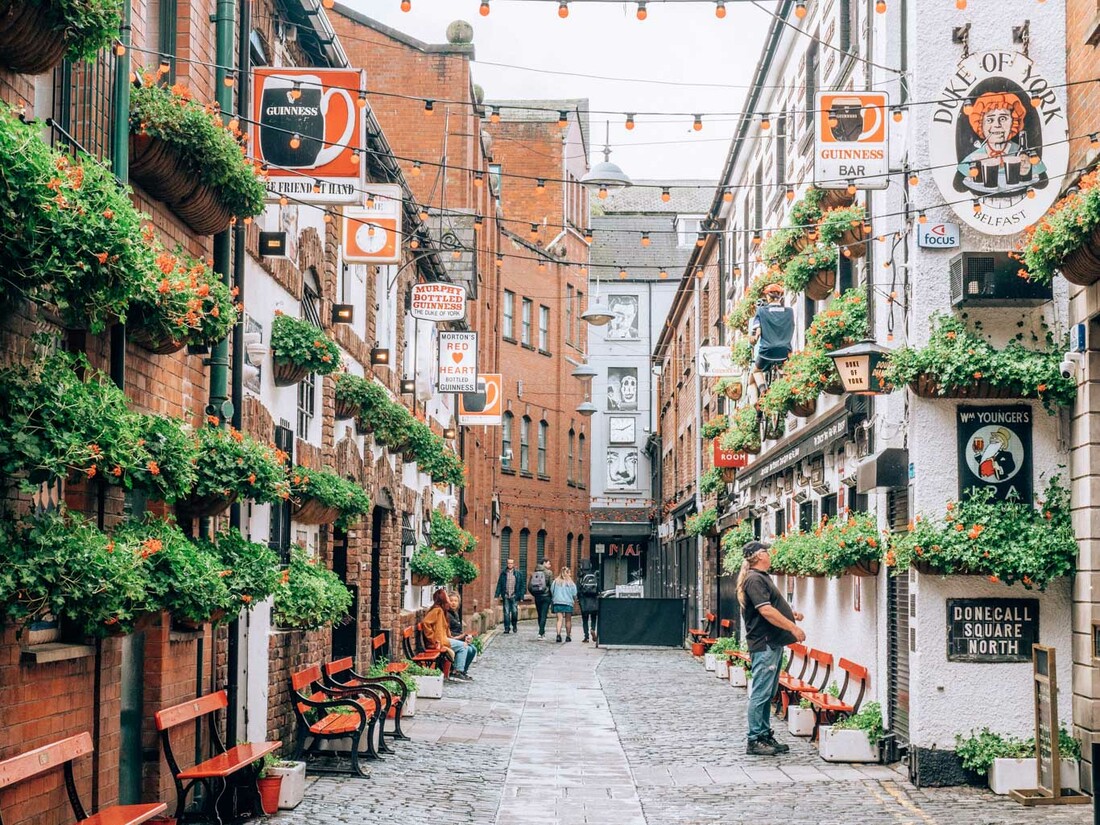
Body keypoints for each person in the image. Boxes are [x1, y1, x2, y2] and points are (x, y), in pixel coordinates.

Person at [738, 540, 806, 756]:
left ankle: (765, 734)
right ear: (758, 556)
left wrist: (789, 614)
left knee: (768, 692)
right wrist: (793, 629)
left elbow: (771, 607)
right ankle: (755, 738)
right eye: (766, 551)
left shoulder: (760, 578)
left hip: (771, 643)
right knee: (760, 693)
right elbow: (765, 611)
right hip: (764, 643)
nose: (769, 554)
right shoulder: (754, 579)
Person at [749, 284, 794, 392]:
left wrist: (753, 340)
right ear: (781, 296)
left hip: (767, 351)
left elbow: (758, 332)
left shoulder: (761, 311)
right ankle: (785, 390)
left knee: (756, 371)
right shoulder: (790, 312)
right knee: (787, 370)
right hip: (785, 351)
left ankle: (763, 390)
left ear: (768, 297)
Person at [423, 588, 470, 681]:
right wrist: (433, 638)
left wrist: (453, 637)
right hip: (440, 641)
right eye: (448, 599)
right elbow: (426, 622)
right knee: (463, 647)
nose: (449, 601)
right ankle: (457, 671)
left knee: (465, 645)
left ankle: (458, 671)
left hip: (444, 639)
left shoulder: (441, 610)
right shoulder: (437, 610)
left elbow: (445, 628)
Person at [446, 592, 476, 677]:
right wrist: (463, 637)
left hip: (457, 638)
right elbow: (448, 633)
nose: (453, 603)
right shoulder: (447, 615)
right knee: (467, 648)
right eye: (451, 600)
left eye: (456, 601)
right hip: (450, 639)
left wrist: (466, 636)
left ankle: (464, 671)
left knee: (473, 649)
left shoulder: (455, 613)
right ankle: (457, 671)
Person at [494, 558, 524, 634]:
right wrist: (497, 595)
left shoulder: (518, 573)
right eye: (508, 563)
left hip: (514, 595)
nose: (510, 564)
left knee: (514, 612)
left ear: (513, 564)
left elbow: (521, 586)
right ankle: (507, 628)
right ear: (507, 564)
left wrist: (521, 597)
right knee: (506, 612)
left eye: (511, 563)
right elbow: (499, 584)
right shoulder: (503, 573)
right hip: (506, 596)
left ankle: (514, 626)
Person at [550, 567, 578, 643]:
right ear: (567, 573)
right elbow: (574, 594)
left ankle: (558, 635)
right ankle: (568, 636)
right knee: (568, 620)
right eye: (570, 573)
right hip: (568, 603)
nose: (571, 574)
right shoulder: (571, 583)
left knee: (559, 619)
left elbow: (552, 591)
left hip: (558, 602)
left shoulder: (555, 581)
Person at [528, 560, 554, 640]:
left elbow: (529, 587)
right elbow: (551, 585)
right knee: (544, 615)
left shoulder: (534, 573)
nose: (550, 565)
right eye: (548, 563)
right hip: (546, 596)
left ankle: (541, 632)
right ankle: (541, 633)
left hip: (537, 597)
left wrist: (534, 594)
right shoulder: (549, 573)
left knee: (539, 614)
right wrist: (552, 596)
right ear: (544, 563)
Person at [577, 562, 600, 644]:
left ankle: (586, 637)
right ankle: (593, 629)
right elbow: (598, 589)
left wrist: (579, 599)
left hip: (584, 601)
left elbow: (578, 590)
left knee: (585, 619)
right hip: (593, 600)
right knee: (594, 617)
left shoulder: (581, 577)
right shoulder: (594, 576)